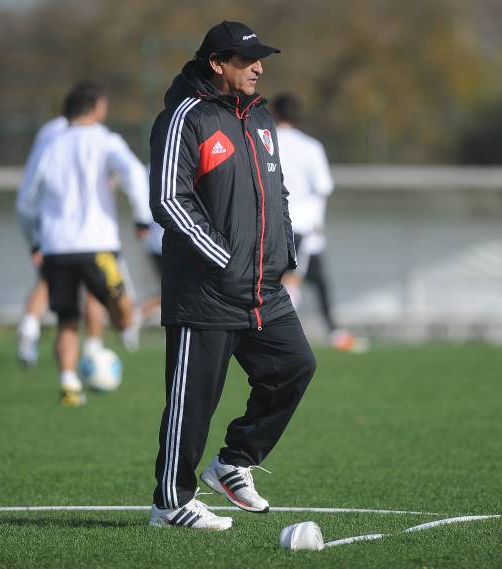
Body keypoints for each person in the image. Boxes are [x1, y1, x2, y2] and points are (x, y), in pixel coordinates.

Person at [148, 21, 316, 530]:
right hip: (205, 291)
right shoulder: (184, 117)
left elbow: (277, 191)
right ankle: (171, 503)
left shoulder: (261, 116)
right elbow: (168, 199)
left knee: (294, 367)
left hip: (263, 288)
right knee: (193, 402)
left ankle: (234, 462)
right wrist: (222, 258)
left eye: (260, 60)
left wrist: (283, 253)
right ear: (217, 63)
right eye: (247, 60)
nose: (259, 68)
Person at [16, 81, 152, 406]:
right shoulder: (105, 140)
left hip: (56, 247)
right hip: (98, 245)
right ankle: (115, 319)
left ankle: (69, 383)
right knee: (123, 315)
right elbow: (134, 173)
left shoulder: (49, 145)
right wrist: (142, 217)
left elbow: (25, 200)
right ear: (98, 107)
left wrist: (34, 240)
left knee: (66, 319)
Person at [272, 93, 369, 353]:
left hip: (272, 224)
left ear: (274, 114)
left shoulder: (264, 141)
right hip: (302, 224)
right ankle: (284, 337)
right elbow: (324, 186)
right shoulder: (310, 146)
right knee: (290, 281)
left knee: (314, 279)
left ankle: (334, 333)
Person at [16, 115, 107, 367]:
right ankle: (94, 347)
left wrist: (33, 236)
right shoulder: (93, 131)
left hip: (52, 227)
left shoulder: (49, 130)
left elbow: (33, 181)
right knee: (93, 289)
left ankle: (30, 324)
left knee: (48, 282)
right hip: (87, 229)